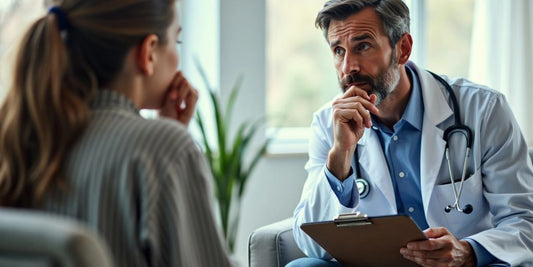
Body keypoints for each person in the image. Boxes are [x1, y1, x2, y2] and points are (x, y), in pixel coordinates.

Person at [289, 0, 533, 266]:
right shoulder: (330, 124)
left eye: (363, 46)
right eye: (338, 50)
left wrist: (468, 251)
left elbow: (524, 220)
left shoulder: (483, 108)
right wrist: (340, 156)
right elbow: (311, 244)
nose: (349, 66)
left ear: (402, 49)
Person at [0, 0, 232, 266]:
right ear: (149, 53)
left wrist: (168, 132)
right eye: (176, 42)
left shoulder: (18, 136)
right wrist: (169, 140)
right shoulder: (163, 150)